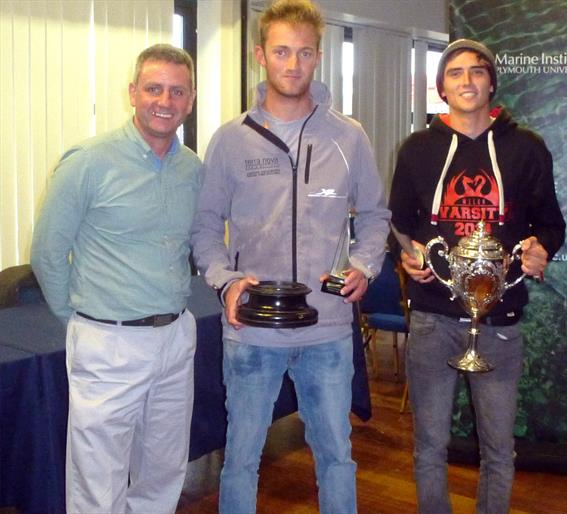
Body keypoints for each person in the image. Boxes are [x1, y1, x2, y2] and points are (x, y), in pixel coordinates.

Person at [189, 0, 389, 512]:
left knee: (336, 457)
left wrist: (364, 266)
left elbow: (374, 218)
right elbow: (206, 228)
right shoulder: (230, 141)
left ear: (318, 57)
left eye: (303, 53)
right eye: (281, 51)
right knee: (240, 460)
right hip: (252, 331)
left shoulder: (349, 136)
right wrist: (226, 279)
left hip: (327, 331)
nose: (293, 64)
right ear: (261, 55)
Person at [389, 39, 566, 513]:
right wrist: (407, 256)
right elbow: (397, 224)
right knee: (429, 446)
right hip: (431, 318)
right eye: (455, 73)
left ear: (491, 82)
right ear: (441, 87)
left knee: (498, 450)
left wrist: (540, 248)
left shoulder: (526, 148)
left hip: (500, 322)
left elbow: (552, 223)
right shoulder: (417, 150)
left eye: (477, 71)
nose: (466, 81)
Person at [30, 44, 200, 513]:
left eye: (176, 91)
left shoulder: (192, 170)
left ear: (189, 100)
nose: (163, 100)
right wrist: (83, 318)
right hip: (109, 341)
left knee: (164, 472)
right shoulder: (88, 162)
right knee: (97, 481)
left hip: (175, 338)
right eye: (153, 88)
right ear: (132, 93)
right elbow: (47, 252)